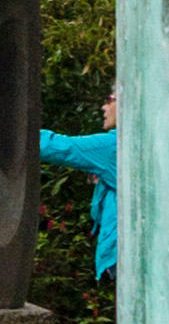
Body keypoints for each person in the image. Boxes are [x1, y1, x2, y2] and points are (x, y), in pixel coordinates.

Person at [40, 80, 121, 280]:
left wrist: (12, 132)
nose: (104, 107)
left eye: (110, 100)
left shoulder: (115, 145)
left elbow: (62, 148)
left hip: (124, 253)